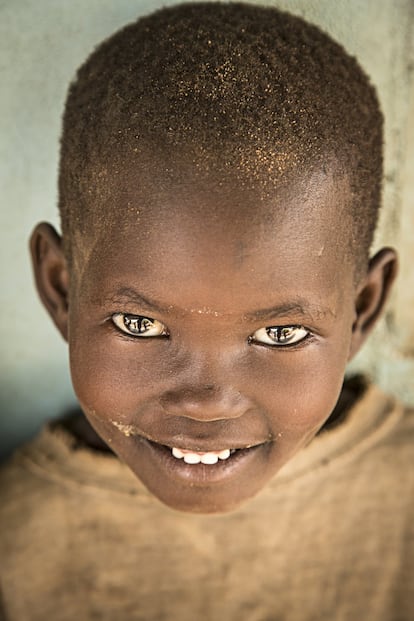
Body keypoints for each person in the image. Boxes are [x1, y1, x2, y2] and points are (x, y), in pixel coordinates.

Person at [0, 3, 412, 619]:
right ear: (61, 288)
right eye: (140, 325)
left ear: (362, 308)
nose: (207, 402)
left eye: (281, 332)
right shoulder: (18, 536)